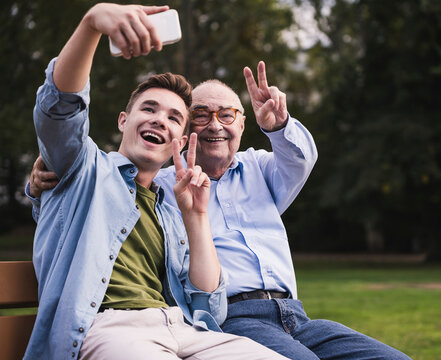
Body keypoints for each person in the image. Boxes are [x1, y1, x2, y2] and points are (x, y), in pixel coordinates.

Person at [29, 28, 411, 360]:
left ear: (242, 125)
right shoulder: (149, 181)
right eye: (200, 115)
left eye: (226, 115)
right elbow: (67, 142)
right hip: (226, 319)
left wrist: (278, 127)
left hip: (275, 315)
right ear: (184, 138)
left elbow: (301, 159)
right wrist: (40, 185)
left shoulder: (250, 173)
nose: (215, 125)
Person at [25, 3, 289, 360]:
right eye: (148, 109)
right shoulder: (82, 169)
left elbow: (209, 307)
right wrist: (92, 23)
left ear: (181, 141)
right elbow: (60, 107)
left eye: (174, 117)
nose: (160, 120)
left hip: (181, 328)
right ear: (123, 120)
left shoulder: (169, 205)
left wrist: (196, 216)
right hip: (109, 328)